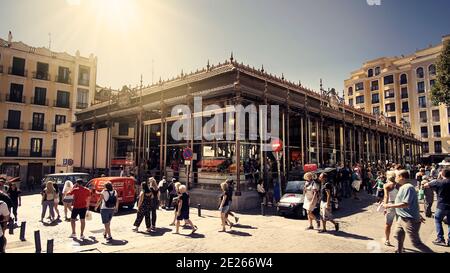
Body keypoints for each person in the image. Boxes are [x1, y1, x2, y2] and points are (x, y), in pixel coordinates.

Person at [384, 170, 433, 253]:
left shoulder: (408, 187)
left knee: (416, 243)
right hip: (402, 218)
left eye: (396, 177)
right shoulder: (403, 186)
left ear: (401, 177)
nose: (395, 178)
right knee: (397, 235)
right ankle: (399, 250)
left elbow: (405, 203)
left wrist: (389, 205)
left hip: (409, 219)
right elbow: (414, 203)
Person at [423, 169, 450, 246]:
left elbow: (426, 185)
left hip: (441, 205)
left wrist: (438, 178)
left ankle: (440, 239)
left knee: (438, 220)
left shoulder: (438, 182)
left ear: (442, 174)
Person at [382, 171, 399, 247]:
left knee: (388, 224)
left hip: (390, 205)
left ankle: (387, 240)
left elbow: (386, 197)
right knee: (400, 225)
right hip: (399, 205)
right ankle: (399, 243)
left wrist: (385, 207)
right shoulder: (399, 185)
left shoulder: (386, 185)